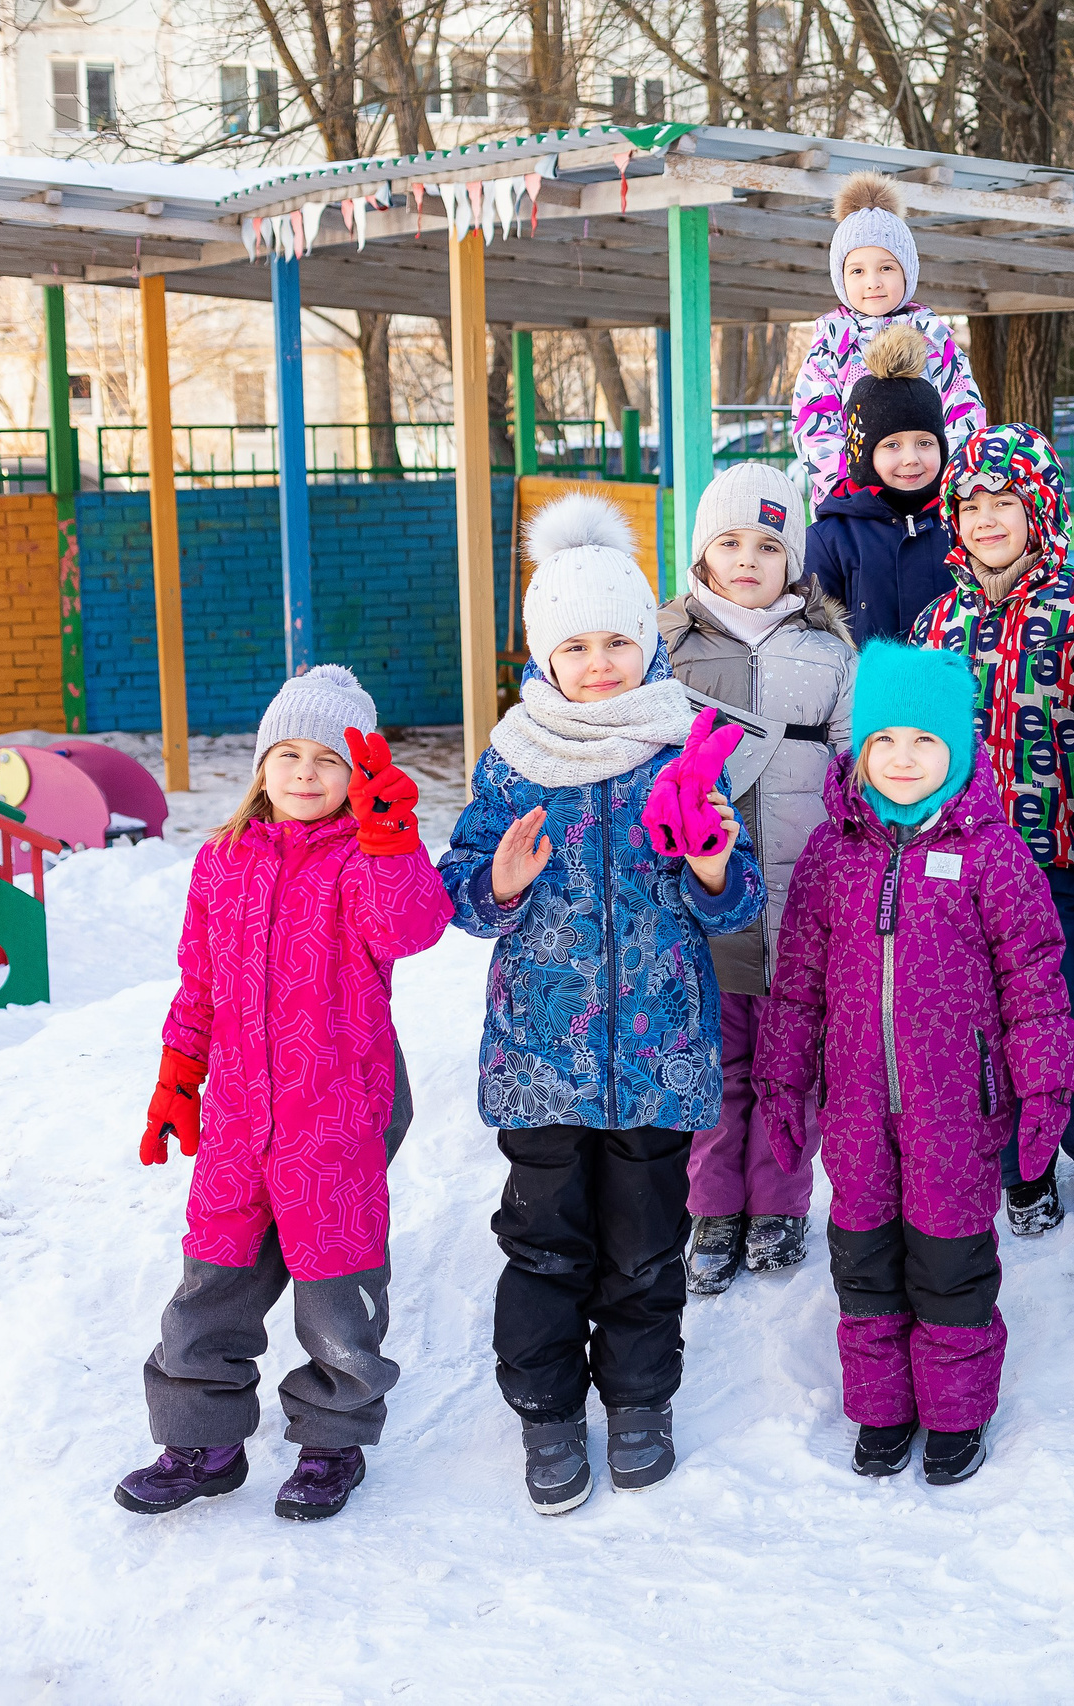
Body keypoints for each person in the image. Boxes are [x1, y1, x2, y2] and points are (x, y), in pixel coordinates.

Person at [442, 494, 764, 1515]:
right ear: (542, 655)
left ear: (645, 646)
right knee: (543, 1242)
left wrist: (713, 866)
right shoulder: (513, 754)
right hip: (542, 1057)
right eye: (573, 645)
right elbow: (459, 893)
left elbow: (737, 895)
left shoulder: (681, 750)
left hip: (660, 1051)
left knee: (642, 1241)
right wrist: (495, 878)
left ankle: (637, 1399)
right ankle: (544, 1409)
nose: (597, 662)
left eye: (616, 641)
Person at [115, 667, 450, 1523]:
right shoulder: (222, 861)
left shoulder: (364, 859)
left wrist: (391, 840)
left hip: (334, 1111)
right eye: (288, 754)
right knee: (211, 1282)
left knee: (336, 1291)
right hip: (235, 1113)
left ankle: (331, 1443)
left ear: (357, 773)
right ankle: (202, 1440)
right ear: (262, 764)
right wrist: (175, 1078)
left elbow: (413, 926)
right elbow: (198, 985)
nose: (306, 773)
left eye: (328, 760)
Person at [753, 641, 1074, 1486]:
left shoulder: (992, 854)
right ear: (858, 748)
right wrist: (784, 1080)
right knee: (864, 1259)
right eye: (884, 742)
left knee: (949, 1261)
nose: (903, 761)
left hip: (956, 1111)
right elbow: (797, 984)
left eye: (924, 743)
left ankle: (957, 1413)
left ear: (958, 750)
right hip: (856, 1108)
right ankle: (883, 1408)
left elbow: (1036, 978)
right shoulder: (833, 853)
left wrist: (1044, 1081)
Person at [908, 423, 1074, 1233]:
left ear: (1039, 507)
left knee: (1073, 1007)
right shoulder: (936, 622)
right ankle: (1021, 1171)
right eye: (971, 505)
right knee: (982, 1022)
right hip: (959, 861)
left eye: (1006, 502)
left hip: (1060, 851)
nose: (988, 519)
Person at [657, 462, 857, 1295]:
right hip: (705, 900)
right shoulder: (666, 643)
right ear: (702, 554)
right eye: (730, 542)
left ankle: (778, 1204)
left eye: (768, 545)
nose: (748, 559)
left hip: (804, 899)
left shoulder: (827, 648)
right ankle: (712, 1210)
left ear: (793, 560)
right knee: (715, 1063)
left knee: (794, 1065)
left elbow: (855, 761)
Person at [789, 172, 983, 508]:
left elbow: (964, 410)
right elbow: (813, 420)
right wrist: (845, 487)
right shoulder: (832, 344)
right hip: (852, 505)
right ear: (841, 277)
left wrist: (948, 476)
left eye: (887, 268)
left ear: (907, 271)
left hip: (930, 498)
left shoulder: (934, 339)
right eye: (858, 271)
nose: (873, 282)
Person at [802, 324, 956, 645]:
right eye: (892, 445)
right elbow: (811, 639)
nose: (911, 458)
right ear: (861, 454)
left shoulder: (961, 525)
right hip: (861, 692)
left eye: (925, 443)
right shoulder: (831, 541)